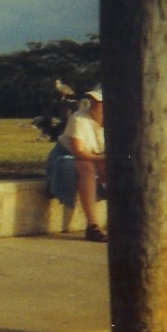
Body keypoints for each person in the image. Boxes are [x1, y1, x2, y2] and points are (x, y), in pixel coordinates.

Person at [46, 86, 108, 242]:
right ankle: (92, 226)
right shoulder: (79, 118)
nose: (95, 104)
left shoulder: (115, 122)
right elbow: (78, 151)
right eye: (93, 100)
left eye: (99, 101)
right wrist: (102, 160)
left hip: (93, 158)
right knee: (86, 166)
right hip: (65, 158)